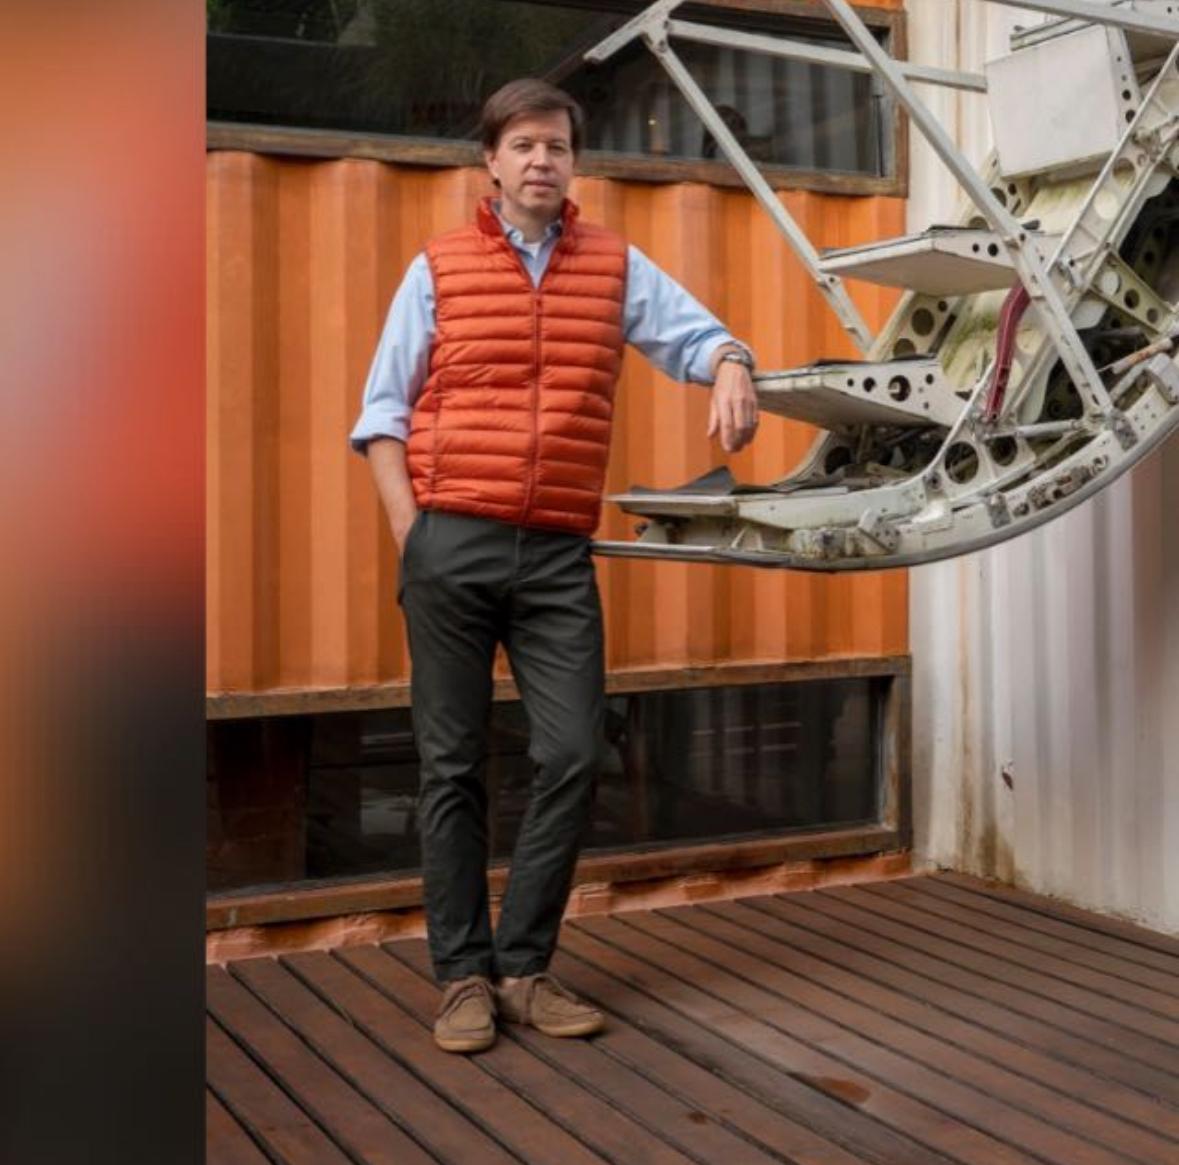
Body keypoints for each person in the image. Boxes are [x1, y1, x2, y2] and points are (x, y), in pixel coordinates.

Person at [350, 78, 758, 1054]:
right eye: (524, 145)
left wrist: (734, 361)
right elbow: (381, 413)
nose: (542, 160)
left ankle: (523, 966)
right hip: (451, 540)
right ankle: (462, 979)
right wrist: (414, 530)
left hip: (557, 555)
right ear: (490, 161)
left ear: (573, 164)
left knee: (573, 750)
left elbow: (693, 336)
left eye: (558, 147)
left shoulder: (613, 266)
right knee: (451, 767)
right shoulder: (439, 269)